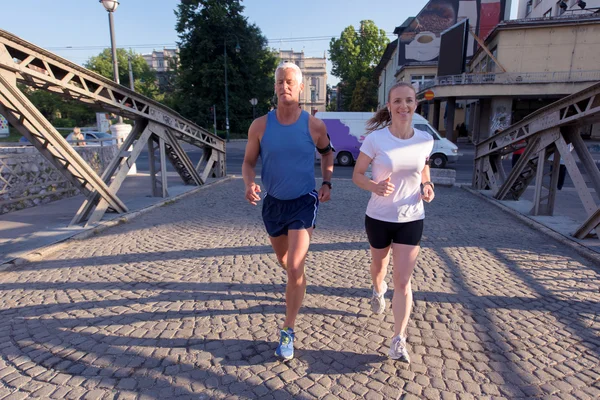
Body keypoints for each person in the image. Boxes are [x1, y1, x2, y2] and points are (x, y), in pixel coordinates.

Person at [242, 61, 334, 360]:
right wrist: (249, 183)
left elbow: (327, 152)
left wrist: (327, 182)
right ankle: (298, 283)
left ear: (301, 87)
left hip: (304, 201)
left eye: (290, 82)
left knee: (294, 265)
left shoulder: (313, 125)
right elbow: (248, 163)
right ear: (275, 87)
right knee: (286, 263)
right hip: (273, 204)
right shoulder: (260, 125)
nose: (285, 86)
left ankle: (288, 330)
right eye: (280, 82)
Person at [352, 82, 434, 364]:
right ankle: (377, 289)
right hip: (378, 217)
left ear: (415, 105)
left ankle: (398, 339)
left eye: (409, 101)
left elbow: (423, 165)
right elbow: (357, 175)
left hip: (411, 218)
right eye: (397, 101)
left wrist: (427, 184)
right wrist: (374, 186)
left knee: (403, 281)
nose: (403, 106)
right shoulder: (376, 139)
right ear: (389, 106)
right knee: (379, 266)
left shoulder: (425, 139)